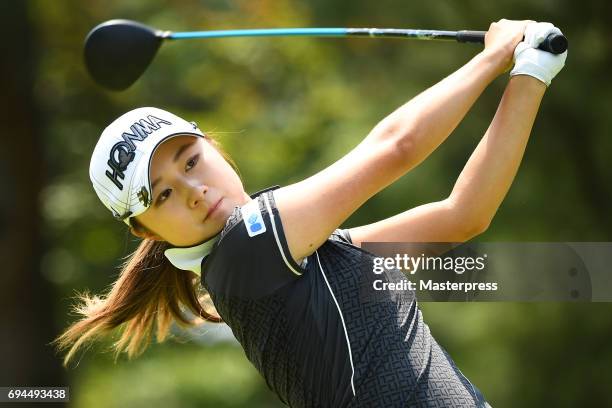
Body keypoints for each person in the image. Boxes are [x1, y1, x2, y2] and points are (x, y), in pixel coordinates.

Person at [54, 19, 566, 407]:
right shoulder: (245, 253)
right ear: (146, 230)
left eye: (191, 161)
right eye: (162, 195)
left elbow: (462, 216)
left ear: (214, 147)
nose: (192, 191)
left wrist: (531, 72)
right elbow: (396, 146)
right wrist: (494, 56)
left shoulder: (311, 258)